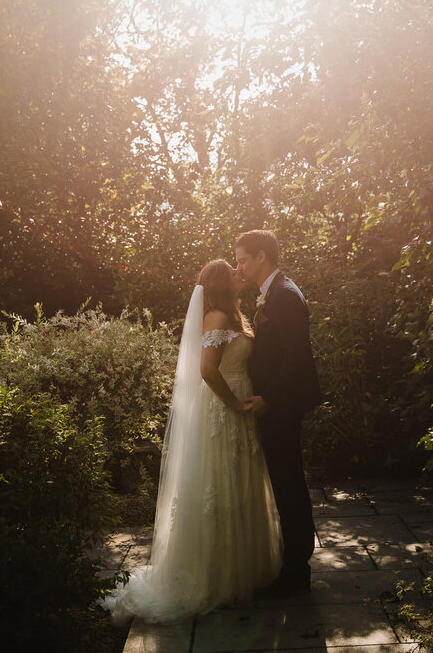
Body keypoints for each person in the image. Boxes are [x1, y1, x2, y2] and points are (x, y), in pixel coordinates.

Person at [100, 259, 282, 624]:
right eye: (231, 269)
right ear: (220, 283)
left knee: (240, 485)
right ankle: (213, 577)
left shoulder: (234, 315)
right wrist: (234, 404)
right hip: (223, 409)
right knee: (218, 487)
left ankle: (242, 569)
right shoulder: (215, 318)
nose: (237, 272)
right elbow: (206, 370)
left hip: (241, 409)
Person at [235, 229, 322, 597]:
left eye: (242, 259)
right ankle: (294, 564)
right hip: (278, 404)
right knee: (285, 483)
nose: (238, 266)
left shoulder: (284, 295)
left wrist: (268, 397)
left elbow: (297, 357)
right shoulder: (274, 292)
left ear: (261, 257)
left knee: (289, 484)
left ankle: (296, 572)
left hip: (282, 406)